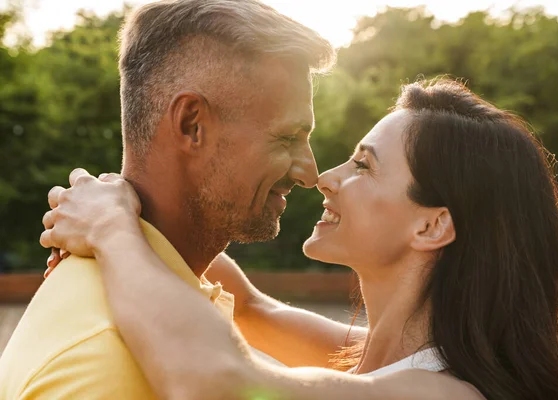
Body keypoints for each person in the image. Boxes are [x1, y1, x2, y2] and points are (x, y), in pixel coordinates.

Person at [39, 79, 558, 400]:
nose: (325, 177)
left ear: (431, 226)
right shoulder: (381, 356)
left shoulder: (448, 393)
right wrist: (124, 197)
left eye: (362, 165)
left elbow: (215, 381)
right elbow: (249, 307)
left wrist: (111, 230)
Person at [0, 0, 335, 398]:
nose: (310, 173)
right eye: (286, 138)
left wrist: (116, 229)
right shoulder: (114, 368)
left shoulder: (163, 297)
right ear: (192, 124)